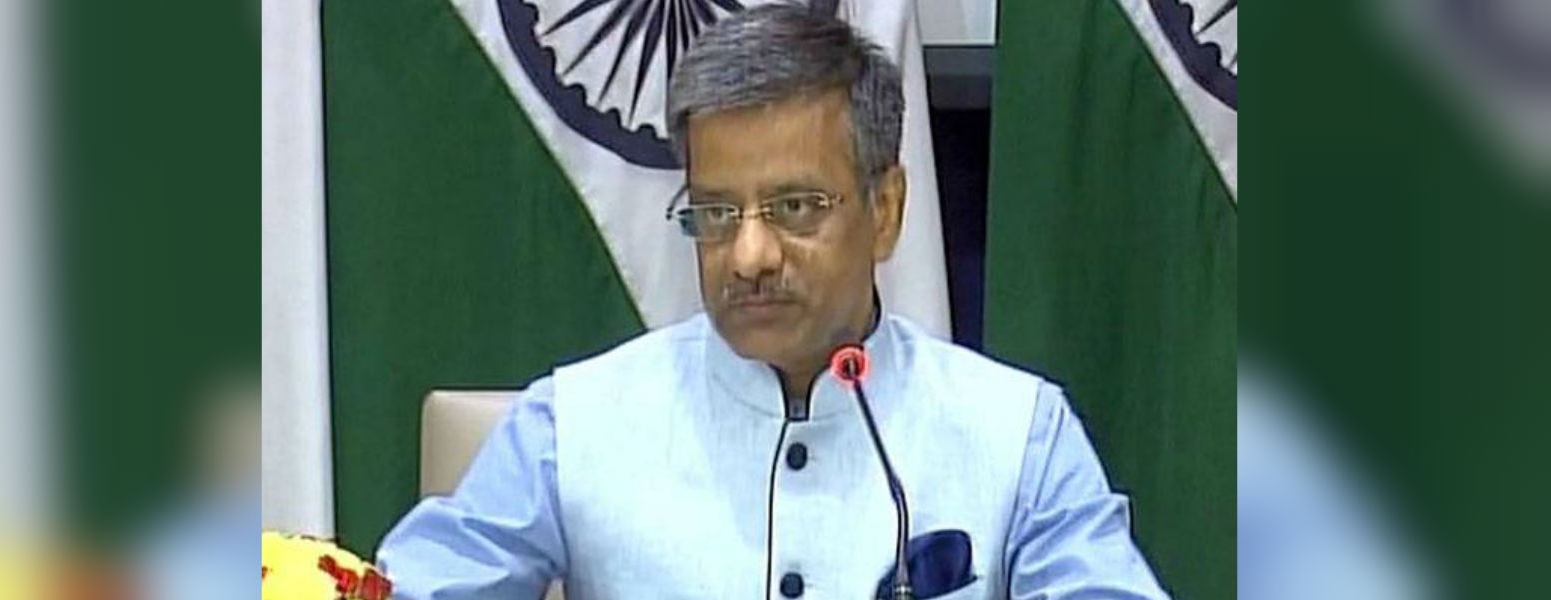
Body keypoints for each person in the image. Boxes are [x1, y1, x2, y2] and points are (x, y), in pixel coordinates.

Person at [377, 4, 1167, 599]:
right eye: (717, 213)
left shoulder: (1015, 433)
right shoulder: (570, 428)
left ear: (885, 211)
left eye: (795, 208)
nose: (749, 256)